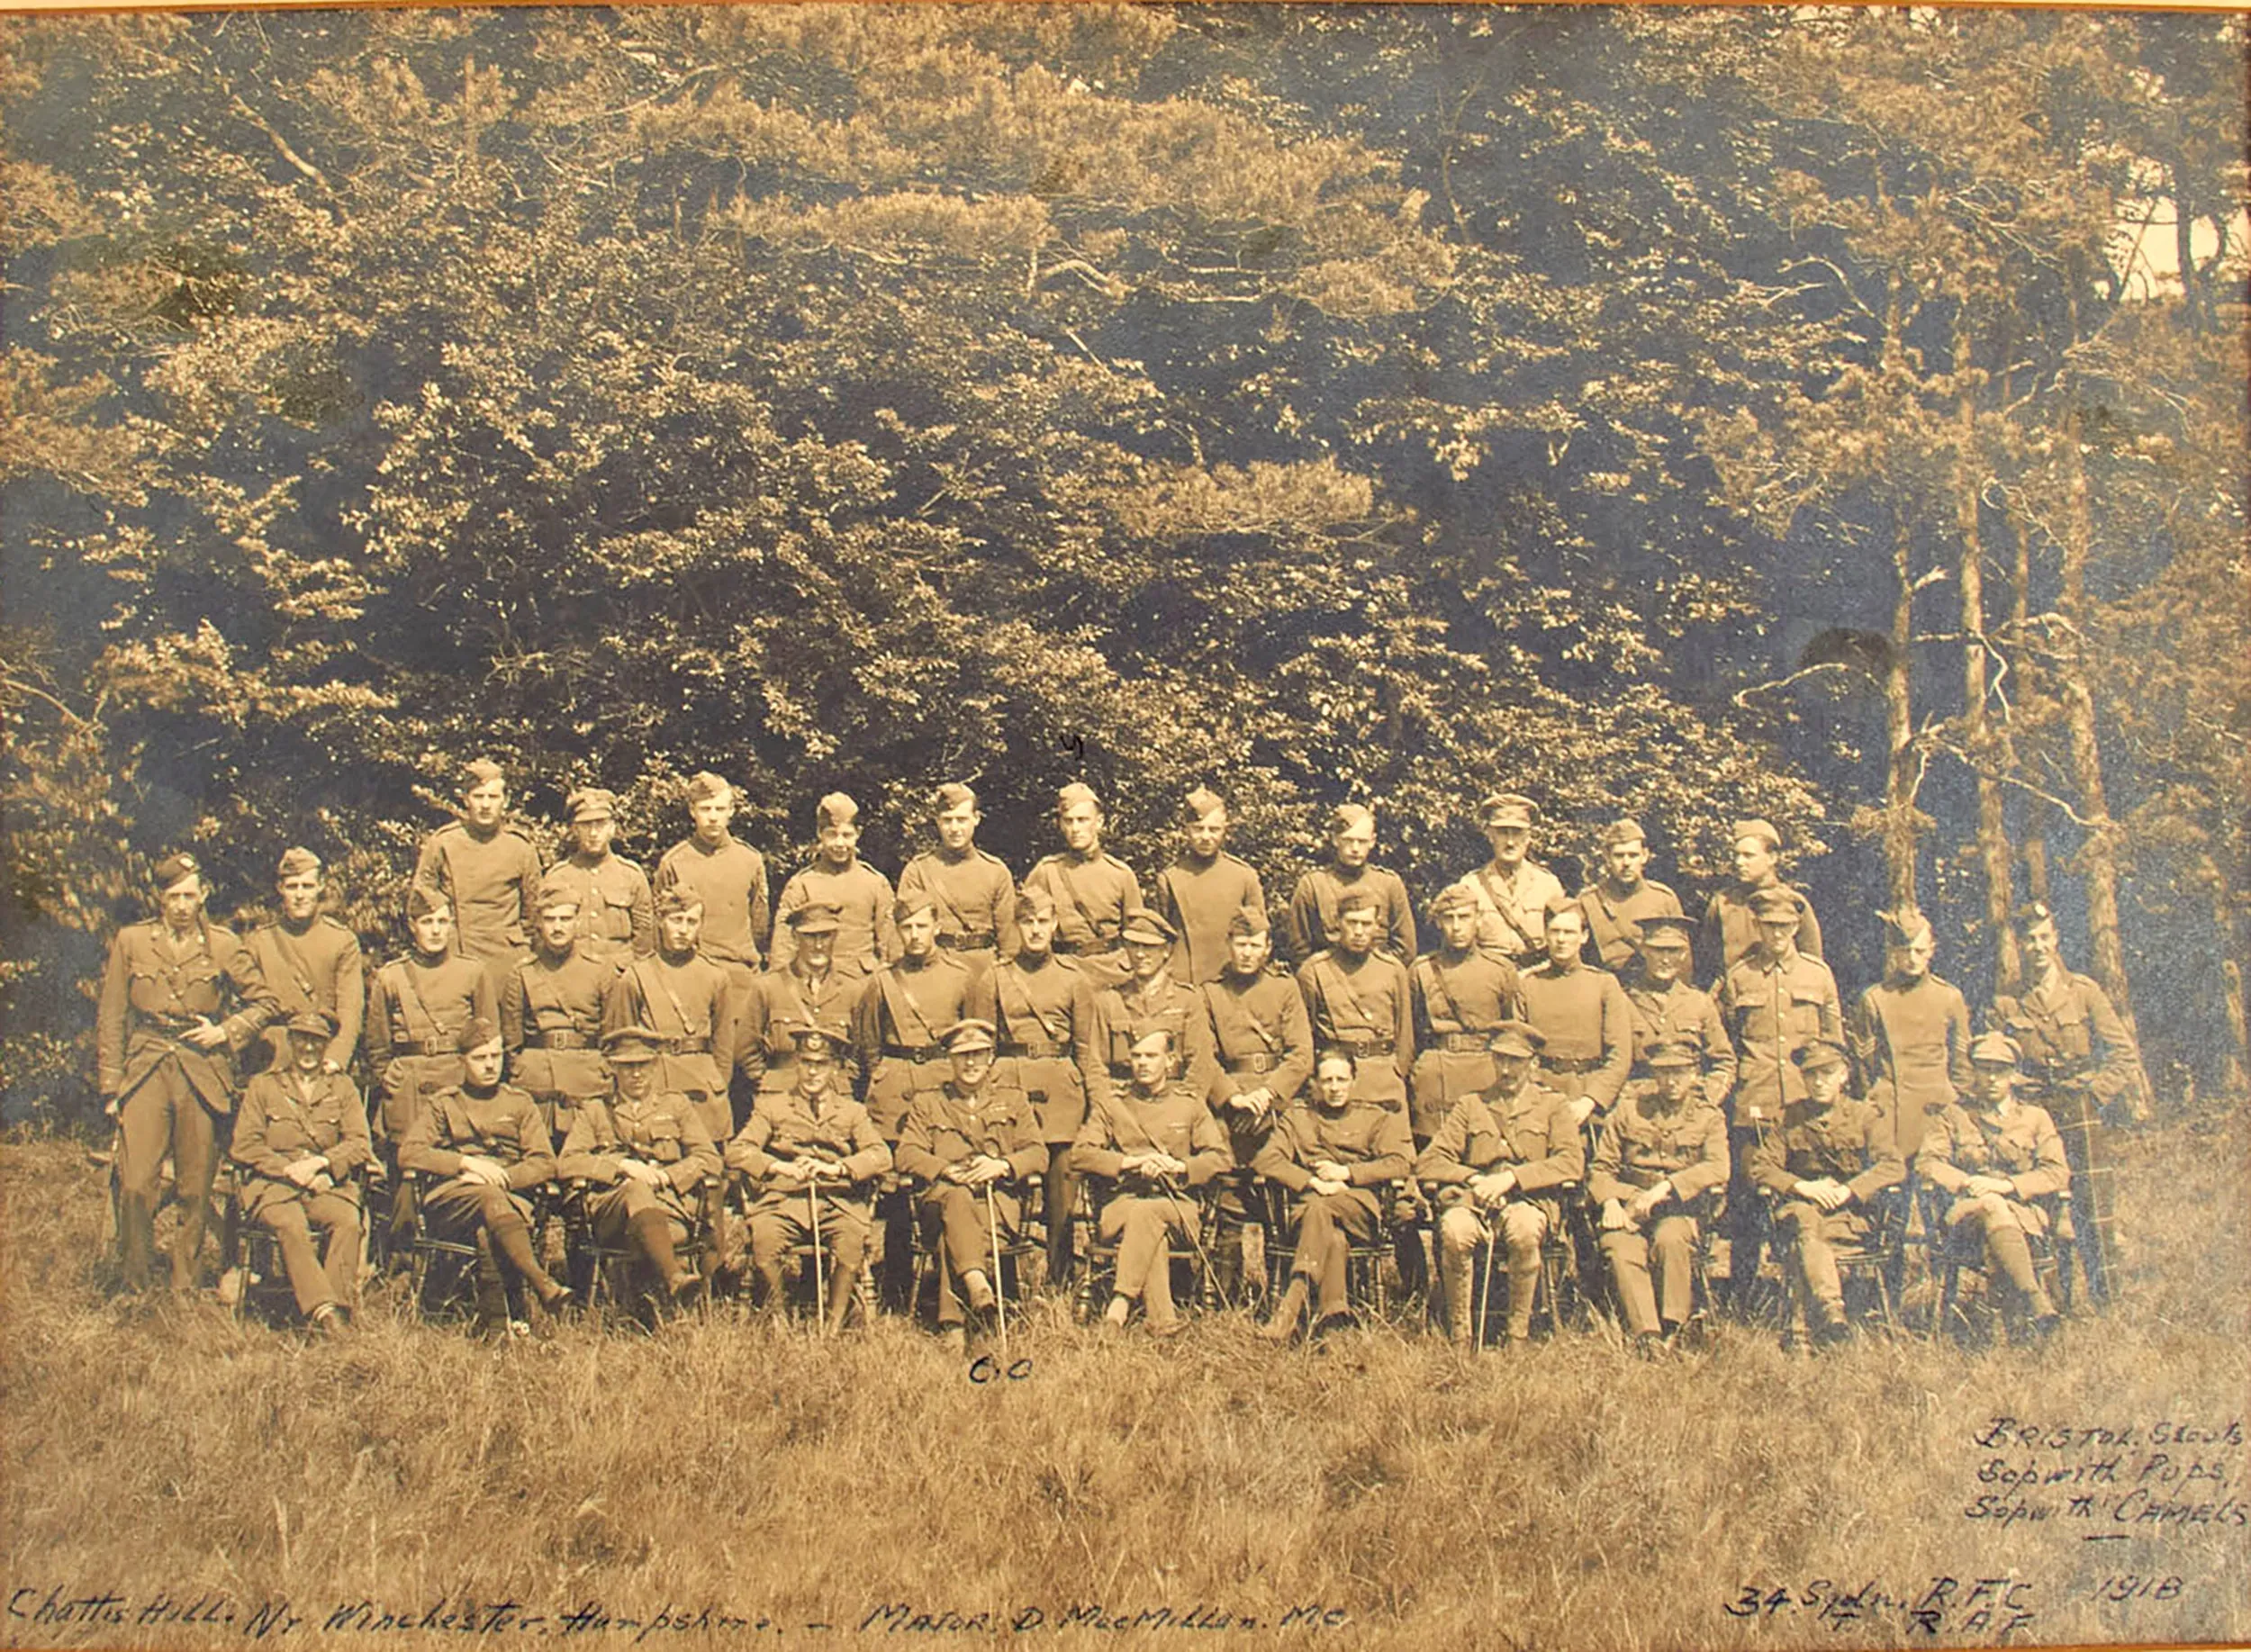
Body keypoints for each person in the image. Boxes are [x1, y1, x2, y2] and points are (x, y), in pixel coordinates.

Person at [97, 853, 282, 1294]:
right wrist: (111, 1085)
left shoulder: (224, 945)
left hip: (201, 1072)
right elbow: (112, 1013)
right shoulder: (131, 941)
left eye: (190, 896)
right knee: (137, 1183)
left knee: (195, 1188)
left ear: (204, 897)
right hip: (146, 1068)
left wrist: (227, 1031)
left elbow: (267, 1002)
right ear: (160, 898)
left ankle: (185, 1283)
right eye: (173, 896)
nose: (182, 905)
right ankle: (134, 1282)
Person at [1992, 900, 2149, 1307]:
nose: (2037, 947)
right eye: (2029, 939)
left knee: (2093, 1209)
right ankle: (2051, 1303)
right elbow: (1994, 1061)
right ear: (2019, 945)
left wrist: (2094, 1097)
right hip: (2034, 1117)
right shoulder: (2006, 1004)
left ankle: (2107, 1302)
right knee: (2041, 1209)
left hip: (2080, 1113)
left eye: (2044, 937)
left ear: (2056, 939)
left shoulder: (2083, 992)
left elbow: (2122, 1053)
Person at [397, 1018, 573, 1327]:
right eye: (480, 1058)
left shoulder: (519, 1103)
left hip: (508, 1196)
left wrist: (504, 1177)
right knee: (488, 1199)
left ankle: (497, 1326)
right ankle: (540, 1283)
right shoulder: (444, 1103)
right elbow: (410, 1152)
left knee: (486, 1228)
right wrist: (465, 1165)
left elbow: (545, 1161)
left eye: (496, 1056)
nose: (490, 1065)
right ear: (461, 1061)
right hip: (454, 1198)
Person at [1717, 884, 1844, 1307]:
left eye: (1786, 925)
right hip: (1755, 1103)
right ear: (1757, 924)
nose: (1777, 933)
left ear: (1796, 926)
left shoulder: (1818, 974)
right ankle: (1744, 1292)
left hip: (1804, 1106)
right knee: (1750, 1201)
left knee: (1806, 1192)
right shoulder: (1740, 976)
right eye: (1769, 925)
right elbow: (1729, 1046)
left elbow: (1834, 1043)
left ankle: (1809, 1289)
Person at [1416, 1023, 1583, 1346]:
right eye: (1500, 1060)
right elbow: (1429, 1161)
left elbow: (1571, 1163)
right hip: (1475, 1202)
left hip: (1529, 1201)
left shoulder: (1553, 1105)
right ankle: (1460, 1336)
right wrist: (1474, 1178)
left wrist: (1512, 1179)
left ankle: (1517, 1335)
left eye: (1515, 1061)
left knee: (1523, 1231)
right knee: (1454, 1230)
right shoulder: (1472, 1105)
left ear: (1533, 1064)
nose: (1506, 1069)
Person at [893, 1019, 1048, 1350]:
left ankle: (953, 1327)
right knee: (957, 1198)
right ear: (949, 1059)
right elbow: (905, 1154)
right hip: (941, 1202)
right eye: (962, 1055)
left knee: (956, 1230)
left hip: (997, 1207)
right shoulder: (928, 1103)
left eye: (978, 1054)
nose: (971, 1063)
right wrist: (944, 1169)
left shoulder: (1014, 1100)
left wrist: (1003, 1165)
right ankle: (979, 1286)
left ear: (992, 1057)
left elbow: (1039, 1154)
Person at [726, 1027, 891, 1332]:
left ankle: (833, 1323)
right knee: (764, 1241)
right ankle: (781, 1318)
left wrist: (838, 1168)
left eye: (822, 1063)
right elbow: (737, 1151)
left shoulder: (853, 1111)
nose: (813, 1071)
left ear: (835, 1067)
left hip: (837, 1201)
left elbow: (882, 1156)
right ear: (796, 1065)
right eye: (806, 1062)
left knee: (851, 1241)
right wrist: (779, 1167)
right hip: (783, 1201)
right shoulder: (772, 1106)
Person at [1072, 1025, 1231, 1335]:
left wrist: (1178, 1166)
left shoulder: (1190, 1104)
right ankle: (1161, 1321)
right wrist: (1130, 1163)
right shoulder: (1113, 1104)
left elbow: (1220, 1158)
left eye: (1151, 1056)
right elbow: (1080, 1154)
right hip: (1122, 1206)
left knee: (1149, 1216)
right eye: (1136, 1056)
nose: (1142, 1063)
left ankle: (1119, 1307)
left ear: (1170, 1061)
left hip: (1179, 1208)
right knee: (1147, 1221)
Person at [1748, 1039, 1903, 1346]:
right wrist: (1803, 1187)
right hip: (1799, 1209)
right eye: (1811, 1075)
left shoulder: (1865, 1116)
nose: (1818, 1082)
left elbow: (1893, 1166)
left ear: (1844, 1075)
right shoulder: (1789, 1117)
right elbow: (1761, 1167)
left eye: (1827, 1073)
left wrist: (1850, 1191)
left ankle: (1800, 1335)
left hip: (1847, 1217)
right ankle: (1832, 1308)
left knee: (1801, 1244)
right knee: (1805, 1218)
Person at [557, 1025, 721, 1310]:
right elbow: (568, 1162)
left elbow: (709, 1157)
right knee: (635, 1188)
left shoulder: (676, 1105)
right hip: (613, 1214)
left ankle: (651, 1302)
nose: (636, 1074)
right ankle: (674, 1278)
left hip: (669, 1208)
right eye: (626, 1066)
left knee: (647, 1197)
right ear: (612, 1068)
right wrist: (621, 1167)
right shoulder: (595, 1109)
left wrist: (669, 1176)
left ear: (655, 1064)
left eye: (643, 1065)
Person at [1254, 1049, 1413, 1341]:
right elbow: (1265, 1160)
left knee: (1320, 1210)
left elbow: (1400, 1162)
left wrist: (1347, 1174)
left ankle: (1291, 1305)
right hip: (1312, 1211)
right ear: (1314, 1083)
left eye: (1342, 1079)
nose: (1335, 1088)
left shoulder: (1374, 1117)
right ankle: (1334, 1322)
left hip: (1360, 1211)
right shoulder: (1298, 1118)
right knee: (1331, 1233)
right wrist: (1312, 1182)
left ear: (1354, 1081)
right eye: (1327, 1080)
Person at [230, 1009, 372, 1334]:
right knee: (290, 1224)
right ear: (290, 1042)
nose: (309, 1049)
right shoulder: (263, 1086)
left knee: (347, 1222)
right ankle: (327, 1316)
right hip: (274, 1188)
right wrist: (288, 1169)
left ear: (326, 1046)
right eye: (302, 1040)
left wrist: (322, 1164)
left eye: (317, 1042)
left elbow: (359, 1143)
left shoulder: (342, 1087)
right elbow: (244, 1146)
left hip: (324, 1185)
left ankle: (340, 1308)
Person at [1919, 1031, 2068, 1338]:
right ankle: (2034, 1297)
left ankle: (2022, 1304)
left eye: (1999, 1071)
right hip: (1967, 1216)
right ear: (1973, 1072)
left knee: (1995, 1203)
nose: (1990, 1078)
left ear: (2014, 1075)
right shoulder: (1954, 1114)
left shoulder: (2036, 1118)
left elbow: (2056, 1173)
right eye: (1983, 1069)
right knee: (1990, 1205)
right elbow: (1928, 1163)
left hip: (2025, 1215)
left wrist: (2009, 1185)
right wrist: (1967, 1182)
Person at [1200, 909, 1314, 1296]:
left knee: (1279, 1194)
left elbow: (1301, 1054)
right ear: (1229, 945)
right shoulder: (1211, 993)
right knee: (1227, 1192)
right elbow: (1204, 1056)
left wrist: (1269, 1093)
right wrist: (1231, 1096)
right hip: (1230, 1103)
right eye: (1240, 944)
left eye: (1255, 946)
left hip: (1275, 1104)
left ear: (1267, 949)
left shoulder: (1285, 989)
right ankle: (1224, 1292)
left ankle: (1280, 1289)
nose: (1247, 953)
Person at [1588, 1038, 1728, 1350]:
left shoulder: (1709, 1116)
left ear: (1695, 1074)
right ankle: (1647, 1334)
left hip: (1680, 1209)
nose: (1672, 1081)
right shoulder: (1629, 1110)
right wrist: (1610, 1201)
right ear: (1654, 1075)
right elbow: (1601, 1169)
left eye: (1680, 1072)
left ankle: (1673, 1326)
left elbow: (1719, 1167)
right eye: (1664, 1073)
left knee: (1670, 1239)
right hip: (1629, 1204)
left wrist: (1667, 1188)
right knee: (1619, 1245)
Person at [990, 886, 1099, 1283]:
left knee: (1061, 1189)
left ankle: (1061, 1277)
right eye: (1027, 922)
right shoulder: (996, 977)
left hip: (1060, 1087)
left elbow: (1087, 1048)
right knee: (1006, 1179)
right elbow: (984, 1044)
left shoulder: (1076, 979)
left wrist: (1093, 1105)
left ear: (1055, 925)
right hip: (1010, 1080)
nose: (1036, 931)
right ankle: (1006, 1280)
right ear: (1017, 926)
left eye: (1043, 922)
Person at [655, 772, 771, 1125]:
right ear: (692, 811)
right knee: (698, 1065)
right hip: (691, 977)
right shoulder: (674, 862)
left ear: (732, 811)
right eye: (705, 809)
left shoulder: (750, 861)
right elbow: (661, 924)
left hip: (739, 979)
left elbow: (760, 925)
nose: (713, 817)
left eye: (720, 808)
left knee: (746, 1064)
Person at [853, 893, 993, 1141]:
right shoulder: (882, 980)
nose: (915, 935)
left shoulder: (961, 976)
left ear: (937, 928)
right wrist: (887, 1074)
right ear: (897, 931)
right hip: (895, 1089)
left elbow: (976, 1039)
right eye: (907, 928)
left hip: (945, 1082)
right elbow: (869, 1043)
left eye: (921, 926)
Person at [602, 888, 736, 1141]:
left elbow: (724, 1045)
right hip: (657, 1084)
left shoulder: (716, 976)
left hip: (702, 1085)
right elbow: (622, 1043)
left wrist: (716, 1085)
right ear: (660, 922)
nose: (683, 930)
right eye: (676, 920)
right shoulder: (636, 976)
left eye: (691, 922)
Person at [366, 887, 497, 1142]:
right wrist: (391, 1078)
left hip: (458, 1080)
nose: (436, 931)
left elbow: (489, 1036)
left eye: (442, 921)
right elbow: (377, 1045)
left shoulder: (473, 972)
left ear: (451, 925)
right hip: (410, 1086)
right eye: (427, 922)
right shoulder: (391, 977)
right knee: (407, 1164)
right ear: (412, 925)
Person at [1847, 906, 1972, 1163]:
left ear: (1932, 951)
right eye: (1905, 951)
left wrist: (1954, 1103)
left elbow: (1962, 1062)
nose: (1912, 958)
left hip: (1937, 1108)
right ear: (1893, 953)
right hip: (1891, 1111)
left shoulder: (1950, 997)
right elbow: (1864, 1066)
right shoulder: (1875, 999)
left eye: (1919, 951)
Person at [1408, 883, 1526, 1148]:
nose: (1457, 926)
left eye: (1464, 917)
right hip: (1439, 1069)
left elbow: (1513, 1029)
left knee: (1485, 1145)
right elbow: (1411, 1031)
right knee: (1435, 1149)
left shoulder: (1501, 970)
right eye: (1449, 918)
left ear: (1479, 919)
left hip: (1486, 1069)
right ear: (1438, 922)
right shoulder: (1422, 970)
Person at [501, 874, 617, 1142]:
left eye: (565, 919)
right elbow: (511, 1041)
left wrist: (602, 1071)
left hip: (587, 1078)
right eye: (550, 919)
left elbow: (613, 1034)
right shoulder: (522, 973)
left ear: (577, 922)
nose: (558, 927)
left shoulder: (600, 971)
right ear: (539, 924)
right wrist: (523, 1070)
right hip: (537, 1079)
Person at [411, 757, 543, 988]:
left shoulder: (521, 848)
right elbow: (420, 899)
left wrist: (522, 951)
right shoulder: (443, 843)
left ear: (506, 800)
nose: (485, 805)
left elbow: (535, 911)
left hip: (506, 961)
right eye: (478, 796)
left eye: (493, 797)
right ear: (465, 799)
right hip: (455, 955)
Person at [1088, 908, 1220, 1114]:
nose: (1140, 954)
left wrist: (1185, 1112)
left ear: (1166, 950)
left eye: (1149, 947)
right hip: (1122, 1105)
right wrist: (1108, 1112)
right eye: (1134, 946)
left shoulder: (1187, 1000)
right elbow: (1096, 1068)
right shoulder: (1109, 1001)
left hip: (1174, 1103)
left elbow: (1201, 1065)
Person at [245, 845, 363, 1077]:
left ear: (320, 887)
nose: (300, 895)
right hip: (273, 1058)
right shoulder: (259, 942)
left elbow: (350, 1009)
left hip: (322, 1054)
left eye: (307, 886)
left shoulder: (341, 940)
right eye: (292, 886)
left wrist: (337, 1057)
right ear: (280, 888)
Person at [1296, 888, 1414, 1114]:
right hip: (1335, 1081)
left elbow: (1405, 1035)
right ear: (1338, 922)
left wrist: (1397, 1074)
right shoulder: (1314, 971)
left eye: (1366, 924)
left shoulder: (1393, 970)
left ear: (1377, 926)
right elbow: (1305, 1037)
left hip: (1383, 1080)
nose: (1359, 931)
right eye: (1352, 922)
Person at [1515, 901, 1632, 1130]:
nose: (1561, 939)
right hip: (1541, 1093)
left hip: (1589, 1096)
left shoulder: (1604, 984)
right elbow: (1517, 1049)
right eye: (1554, 931)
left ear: (1584, 936)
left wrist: (1590, 1101)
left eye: (1569, 932)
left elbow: (1620, 1055)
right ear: (1546, 936)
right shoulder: (1528, 985)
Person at [738, 903, 863, 1106]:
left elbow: (862, 1051)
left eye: (826, 936)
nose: (819, 945)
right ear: (795, 937)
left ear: (835, 937)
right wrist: (769, 1083)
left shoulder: (852, 989)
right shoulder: (768, 987)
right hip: (779, 1099)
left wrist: (843, 1081)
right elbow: (745, 1048)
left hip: (836, 1101)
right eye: (810, 936)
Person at [1022, 782, 1142, 988]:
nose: (1075, 828)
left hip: (1112, 976)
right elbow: (1025, 927)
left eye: (1083, 820)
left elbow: (1137, 934)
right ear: (1060, 824)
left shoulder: (1120, 874)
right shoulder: (1046, 871)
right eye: (1069, 821)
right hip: (1064, 974)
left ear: (1099, 822)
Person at [897, 781, 1018, 981]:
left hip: (983, 972)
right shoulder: (918, 870)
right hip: (934, 972)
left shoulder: (995, 871)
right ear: (937, 821)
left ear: (976, 819)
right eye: (947, 820)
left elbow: (1009, 941)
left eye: (961, 820)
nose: (954, 828)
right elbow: (904, 934)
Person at [771, 792, 899, 978]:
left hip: (862, 983)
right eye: (832, 835)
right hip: (815, 983)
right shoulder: (802, 884)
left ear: (858, 834)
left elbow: (890, 944)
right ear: (819, 834)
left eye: (847, 835)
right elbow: (783, 946)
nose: (840, 843)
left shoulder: (876, 883)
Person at [1151, 786, 1267, 985]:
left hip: (1230, 982)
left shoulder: (1244, 876)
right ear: (1186, 829)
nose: (1206, 837)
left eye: (1214, 829)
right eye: (1198, 828)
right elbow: (1160, 938)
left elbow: (1258, 933)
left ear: (1225, 830)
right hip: (1184, 982)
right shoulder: (1170, 877)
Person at [1620, 916, 1735, 1112]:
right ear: (1644, 950)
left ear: (1683, 954)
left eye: (1673, 951)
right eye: (1657, 950)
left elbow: (1724, 1062)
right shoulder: (1624, 1001)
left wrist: (1706, 1100)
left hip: (1689, 1109)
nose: (1665, 959)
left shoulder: (1699, 1002)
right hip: (1638, 1108)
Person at [1282, 804, 1415, 967]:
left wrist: (1378, 975)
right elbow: (1299, 950)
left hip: (1378, 984)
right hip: (1328, 984)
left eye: (1362, 841)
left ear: (1372, 841)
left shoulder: (1389, 884)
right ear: (1335, 839)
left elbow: (1405, 948)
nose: (1355, 848)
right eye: (1348, 840)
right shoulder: (1313, 885)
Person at [543, 788, 655, 972]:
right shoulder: (558, 876)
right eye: (586, 825)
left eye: (600, 824)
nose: (593, 833)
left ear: (612, 828)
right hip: (573, 975)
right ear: (575, 829)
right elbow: (544, 934)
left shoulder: (631, 875)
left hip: (620, 977)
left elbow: (644, 939)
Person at [1701, 817, 1822, 983]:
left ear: (1772, 858)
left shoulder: (1794, 903)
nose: (1739, 862)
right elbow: (1707, 965)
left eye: (1748, 856)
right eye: (1736, 855)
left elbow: (1812, 965)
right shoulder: (1723, 904)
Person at [1457, 794, 1566, 970]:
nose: (1509, 842)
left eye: (1517, 832)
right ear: (1490, 835)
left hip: (1536, 977)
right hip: (1489, 976)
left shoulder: (1548, 884)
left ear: (1529, 836)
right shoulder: (1471, 885)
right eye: (1502, 832)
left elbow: (1562, 941)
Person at [1576, 819, 1685, 972]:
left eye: (1633, 855)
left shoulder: (1664, 899)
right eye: (1619, 856)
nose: (1626, 863)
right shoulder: (1588, 901)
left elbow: (1681, 959)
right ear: (1607, 857)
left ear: (1644, 856)